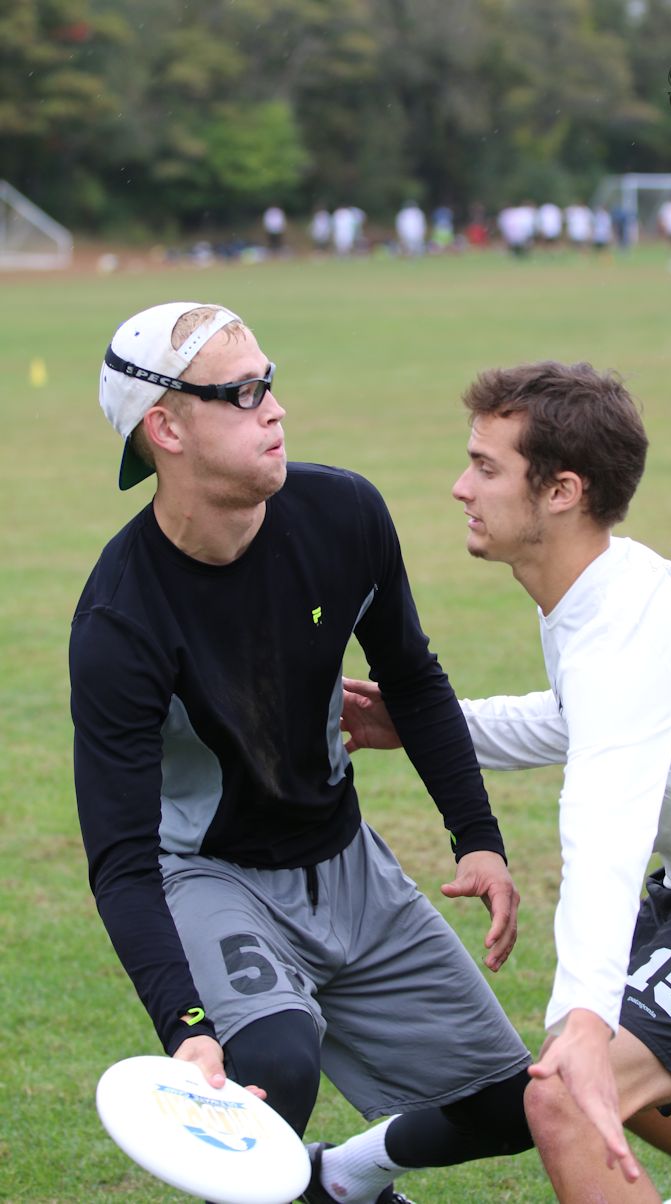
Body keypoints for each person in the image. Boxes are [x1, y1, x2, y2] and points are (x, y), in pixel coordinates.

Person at [70, 301, 541, 1204]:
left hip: (349, 862)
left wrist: (477, 838)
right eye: (242, 393)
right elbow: (122, 861)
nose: (275, 408)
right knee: (274, 1065)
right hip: (212, 875)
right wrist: (185, 1027)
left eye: (269, 383)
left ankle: (339, 1178)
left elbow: (412, 677)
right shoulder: (119, 623)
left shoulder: (344, 513)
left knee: (509, 1110)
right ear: (164, 428)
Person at [341, 360, 671, 1204]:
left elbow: (604, 830)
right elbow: (577, 719)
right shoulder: (608, 584)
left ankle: (341, 1176)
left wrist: (584, 1017)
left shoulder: (621, 634)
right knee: (592, 1066)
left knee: (564, 1093)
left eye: (485, 468)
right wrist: (426, 727)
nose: (459, 488)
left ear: (561, 491)